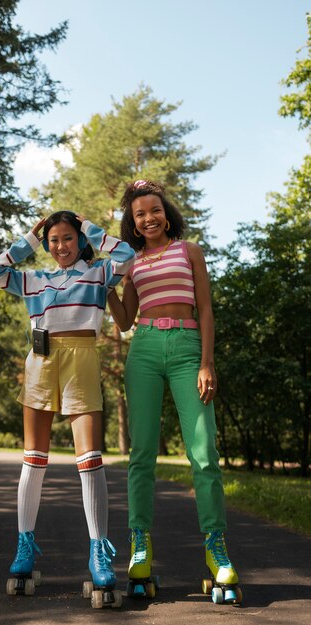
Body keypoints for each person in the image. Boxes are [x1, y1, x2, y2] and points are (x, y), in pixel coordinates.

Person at [0, 210, 135, 593]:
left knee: (90, 457)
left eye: (68, 238)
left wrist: (90, 229)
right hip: (41, 361)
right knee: (33, 458)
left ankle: (98, 551)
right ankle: (24, 547)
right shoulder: (34, 279)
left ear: (79, 240)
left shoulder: (99, 273)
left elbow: (127, 256)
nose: (60, 247)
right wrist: (29, 240)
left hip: (81, 357)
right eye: (53, 240)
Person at [108, 180, 240, 603]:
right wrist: (107, 286)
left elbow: (204, 308)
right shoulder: (131, 262)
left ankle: (215, 546)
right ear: (133, 222)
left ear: (166, 213)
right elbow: (126, 320)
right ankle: (140, 544)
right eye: (139, 214)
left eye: (154, 211)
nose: (148, 219)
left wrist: (207, 362)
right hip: (144, 350)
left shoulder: (190, 251)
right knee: (141, 454)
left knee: (204, 453)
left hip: (187, 350)